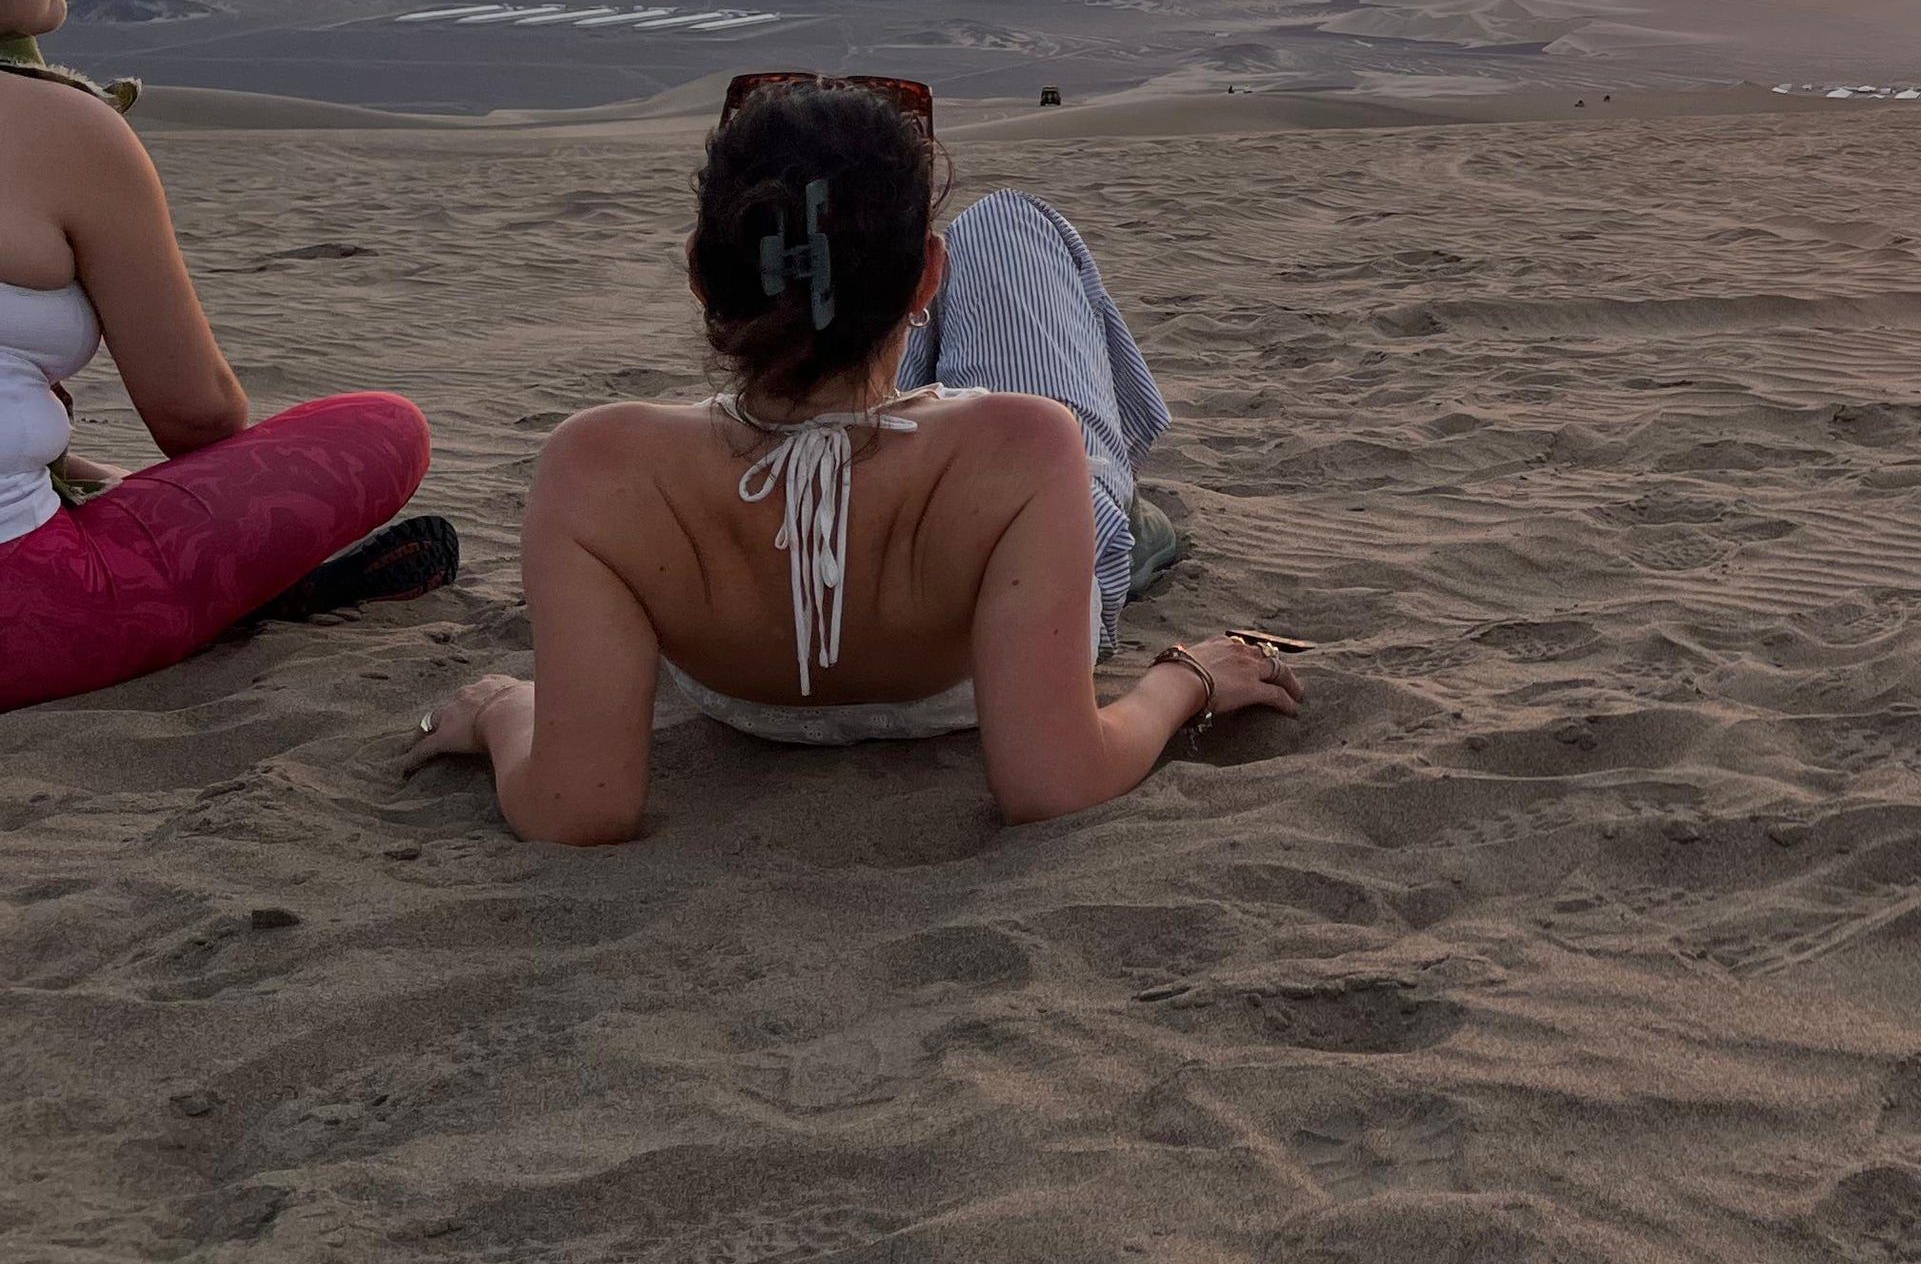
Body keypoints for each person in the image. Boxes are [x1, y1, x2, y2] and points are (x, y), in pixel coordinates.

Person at [404, 79, 1299, 843]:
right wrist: (1185, 682)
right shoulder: (1029, 447)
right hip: (1001, 541)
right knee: (1012, 224)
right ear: (928, 276)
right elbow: (1055, 781)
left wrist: (499, 711)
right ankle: (1126, 528)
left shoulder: (598, 467)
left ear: (698, 274)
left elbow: (575, 808)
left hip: (742, 682)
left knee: (830, 376)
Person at [1, 0, 449, 713]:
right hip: (26, 610)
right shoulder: (59, 129)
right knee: (383, 428)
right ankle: (235, 604)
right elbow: (199, 418)